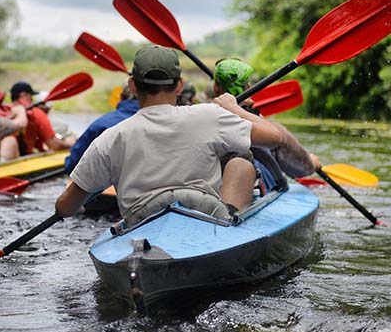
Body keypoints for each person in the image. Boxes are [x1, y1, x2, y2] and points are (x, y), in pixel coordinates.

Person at [55, 45, 284, 224]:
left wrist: (66, 203)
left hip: (141, 222)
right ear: (179, 86)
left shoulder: (111, 137)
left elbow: (66, 208)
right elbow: (275, 137)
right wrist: (234, 108)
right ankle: (233, 222)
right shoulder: (209, 115)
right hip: (206, 216)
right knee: (241, 161)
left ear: (133, 86)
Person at [213, 58, 321, 179]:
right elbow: (302, 169)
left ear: (215, 87)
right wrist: (312, 164)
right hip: (251, 185)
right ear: (248, 86)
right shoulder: (269, 130)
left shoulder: (198, 116)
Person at [64, 82, 140, 174]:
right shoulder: (158, 122)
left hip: (105, 184)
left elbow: (73, 164)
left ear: (121, 97)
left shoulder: (101, 124)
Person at [0, 81, 76, 160]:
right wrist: (70, 143)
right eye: (31, 96)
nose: (32, 100)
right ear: (23, 95)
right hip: (20, 161)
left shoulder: (2, 111)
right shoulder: (37, 113)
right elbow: (55, 145)